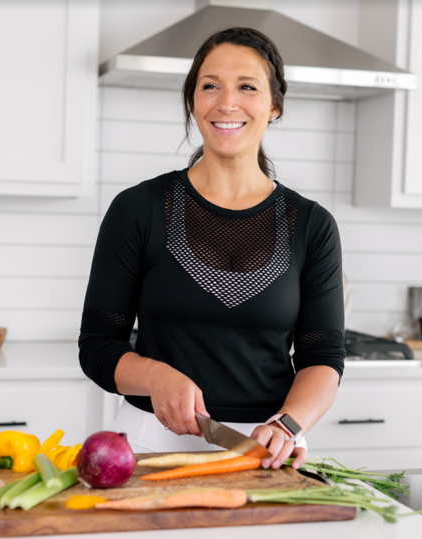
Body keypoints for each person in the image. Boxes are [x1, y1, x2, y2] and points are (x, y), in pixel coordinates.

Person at [79, 27, 344, 470]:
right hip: (150, 445)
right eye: (210, 86)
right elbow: (97, 346)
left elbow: (324, 359)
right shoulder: (138, 209)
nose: (227, 103)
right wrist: (155, 377)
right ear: (192, 101)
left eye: (247, 87)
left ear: (274, 106)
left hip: (265, 450)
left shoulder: (312, 225)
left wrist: (287, 425)